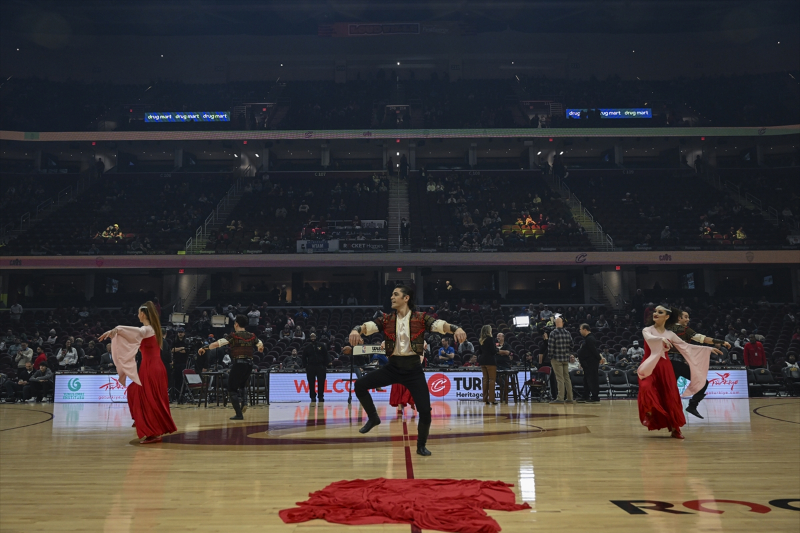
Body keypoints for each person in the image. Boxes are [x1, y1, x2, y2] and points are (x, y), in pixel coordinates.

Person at [348, 285, 465, 456]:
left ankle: (421, 446)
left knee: (425, 411)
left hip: (413, 370)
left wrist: (457, 329)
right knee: (359, 385)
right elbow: (368, 326)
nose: (391, 297)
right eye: (391, 295)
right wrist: (355, 330)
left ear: (406, 298)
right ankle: (373, 417)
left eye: (395, 294)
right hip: (392, 367)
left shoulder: (421, 318)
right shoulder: (387, 319)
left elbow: (441, 325)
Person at [637, 306, 721, 440]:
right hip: (649, 366)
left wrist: (708, 349)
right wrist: (661, 340)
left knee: (671, 396)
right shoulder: (647, 330)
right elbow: (650, 338)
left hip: (665, 367)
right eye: (655, 311)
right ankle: (651, 412)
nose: (656, 314)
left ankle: (676, 428)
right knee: (646, 387)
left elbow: (686, 346)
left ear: (667, 317)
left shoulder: (670, 334)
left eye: (660, 312)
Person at [99, 301, 177, 444]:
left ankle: (153, 432)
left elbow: (136, 332)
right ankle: (143, 420)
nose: (137, 315)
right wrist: (116, 332)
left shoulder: (147, 329)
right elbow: (133, 338)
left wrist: (117, 329)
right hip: (154, 366)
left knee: (149, 399)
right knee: (138, 392)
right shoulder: (155, 329)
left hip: (151, 367)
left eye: (138, 312)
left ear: (142, 314)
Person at [667, 309, 731, 419]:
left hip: (666, 363)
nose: (688, 319)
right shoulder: (684, 330)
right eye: (686, 317)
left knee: (669, 390)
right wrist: (721, 342)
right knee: (703, 383)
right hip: (676, 362)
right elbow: (703, 339)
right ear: (679, 318)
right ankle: (692, 406)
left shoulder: (666, 329)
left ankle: (665, 413)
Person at [200, 315, 264, 420]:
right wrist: (260, 348)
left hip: (239, 363)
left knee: (231, 388)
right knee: (242, 384)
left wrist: (205, 348)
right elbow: (260, 344)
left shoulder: (234, 336)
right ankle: (244, 402)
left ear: (237, 324)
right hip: (250, 364)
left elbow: (218, 343)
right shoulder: (252, 335)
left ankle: (239, 414)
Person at [548, 317, 574, 404]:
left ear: (555, 324)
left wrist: (550, 356)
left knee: (559, 379)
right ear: (562, 323)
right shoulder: (567, 333)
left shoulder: (553, 333)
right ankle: (570, 397)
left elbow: (550, 347)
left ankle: (560, 398)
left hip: (556, 358)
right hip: (565, 358)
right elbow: (572, 345)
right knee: (567, 378)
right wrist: (567, 352)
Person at [302, 332, 330, 402]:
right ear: (310, 338)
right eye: (311, 337)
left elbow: (326, 355)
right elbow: (303, 357)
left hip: (320, 366)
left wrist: (325, 365)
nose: (313, 338)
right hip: (311, 366)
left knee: (321, 382)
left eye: (314, 336)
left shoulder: (321, 345)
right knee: (311, 382)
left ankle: (321, 396)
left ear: (316, 337)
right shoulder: (307, 347)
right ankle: (312, 397)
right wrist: (306, 366)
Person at [577, 324, 601, 403]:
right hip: (587, 363)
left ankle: (594, 396)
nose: (579, 331)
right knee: (587, 379)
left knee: (592, 379)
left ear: (585, 329)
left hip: (591, 363)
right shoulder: (588, 338)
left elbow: (593, 350)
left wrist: (599, 358)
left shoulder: (590, 338)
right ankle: (586, 395)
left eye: (580, 329)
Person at [478, 325, 499, 405]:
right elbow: (493, 351)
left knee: (485, 380)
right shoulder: (490, 339)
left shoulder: (480, 340)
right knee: (492, 380)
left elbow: (479, 352)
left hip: (482, 361)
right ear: (488, 331)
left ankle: (485, 399)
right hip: (490, 361)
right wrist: (497, 349)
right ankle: (492, 399)